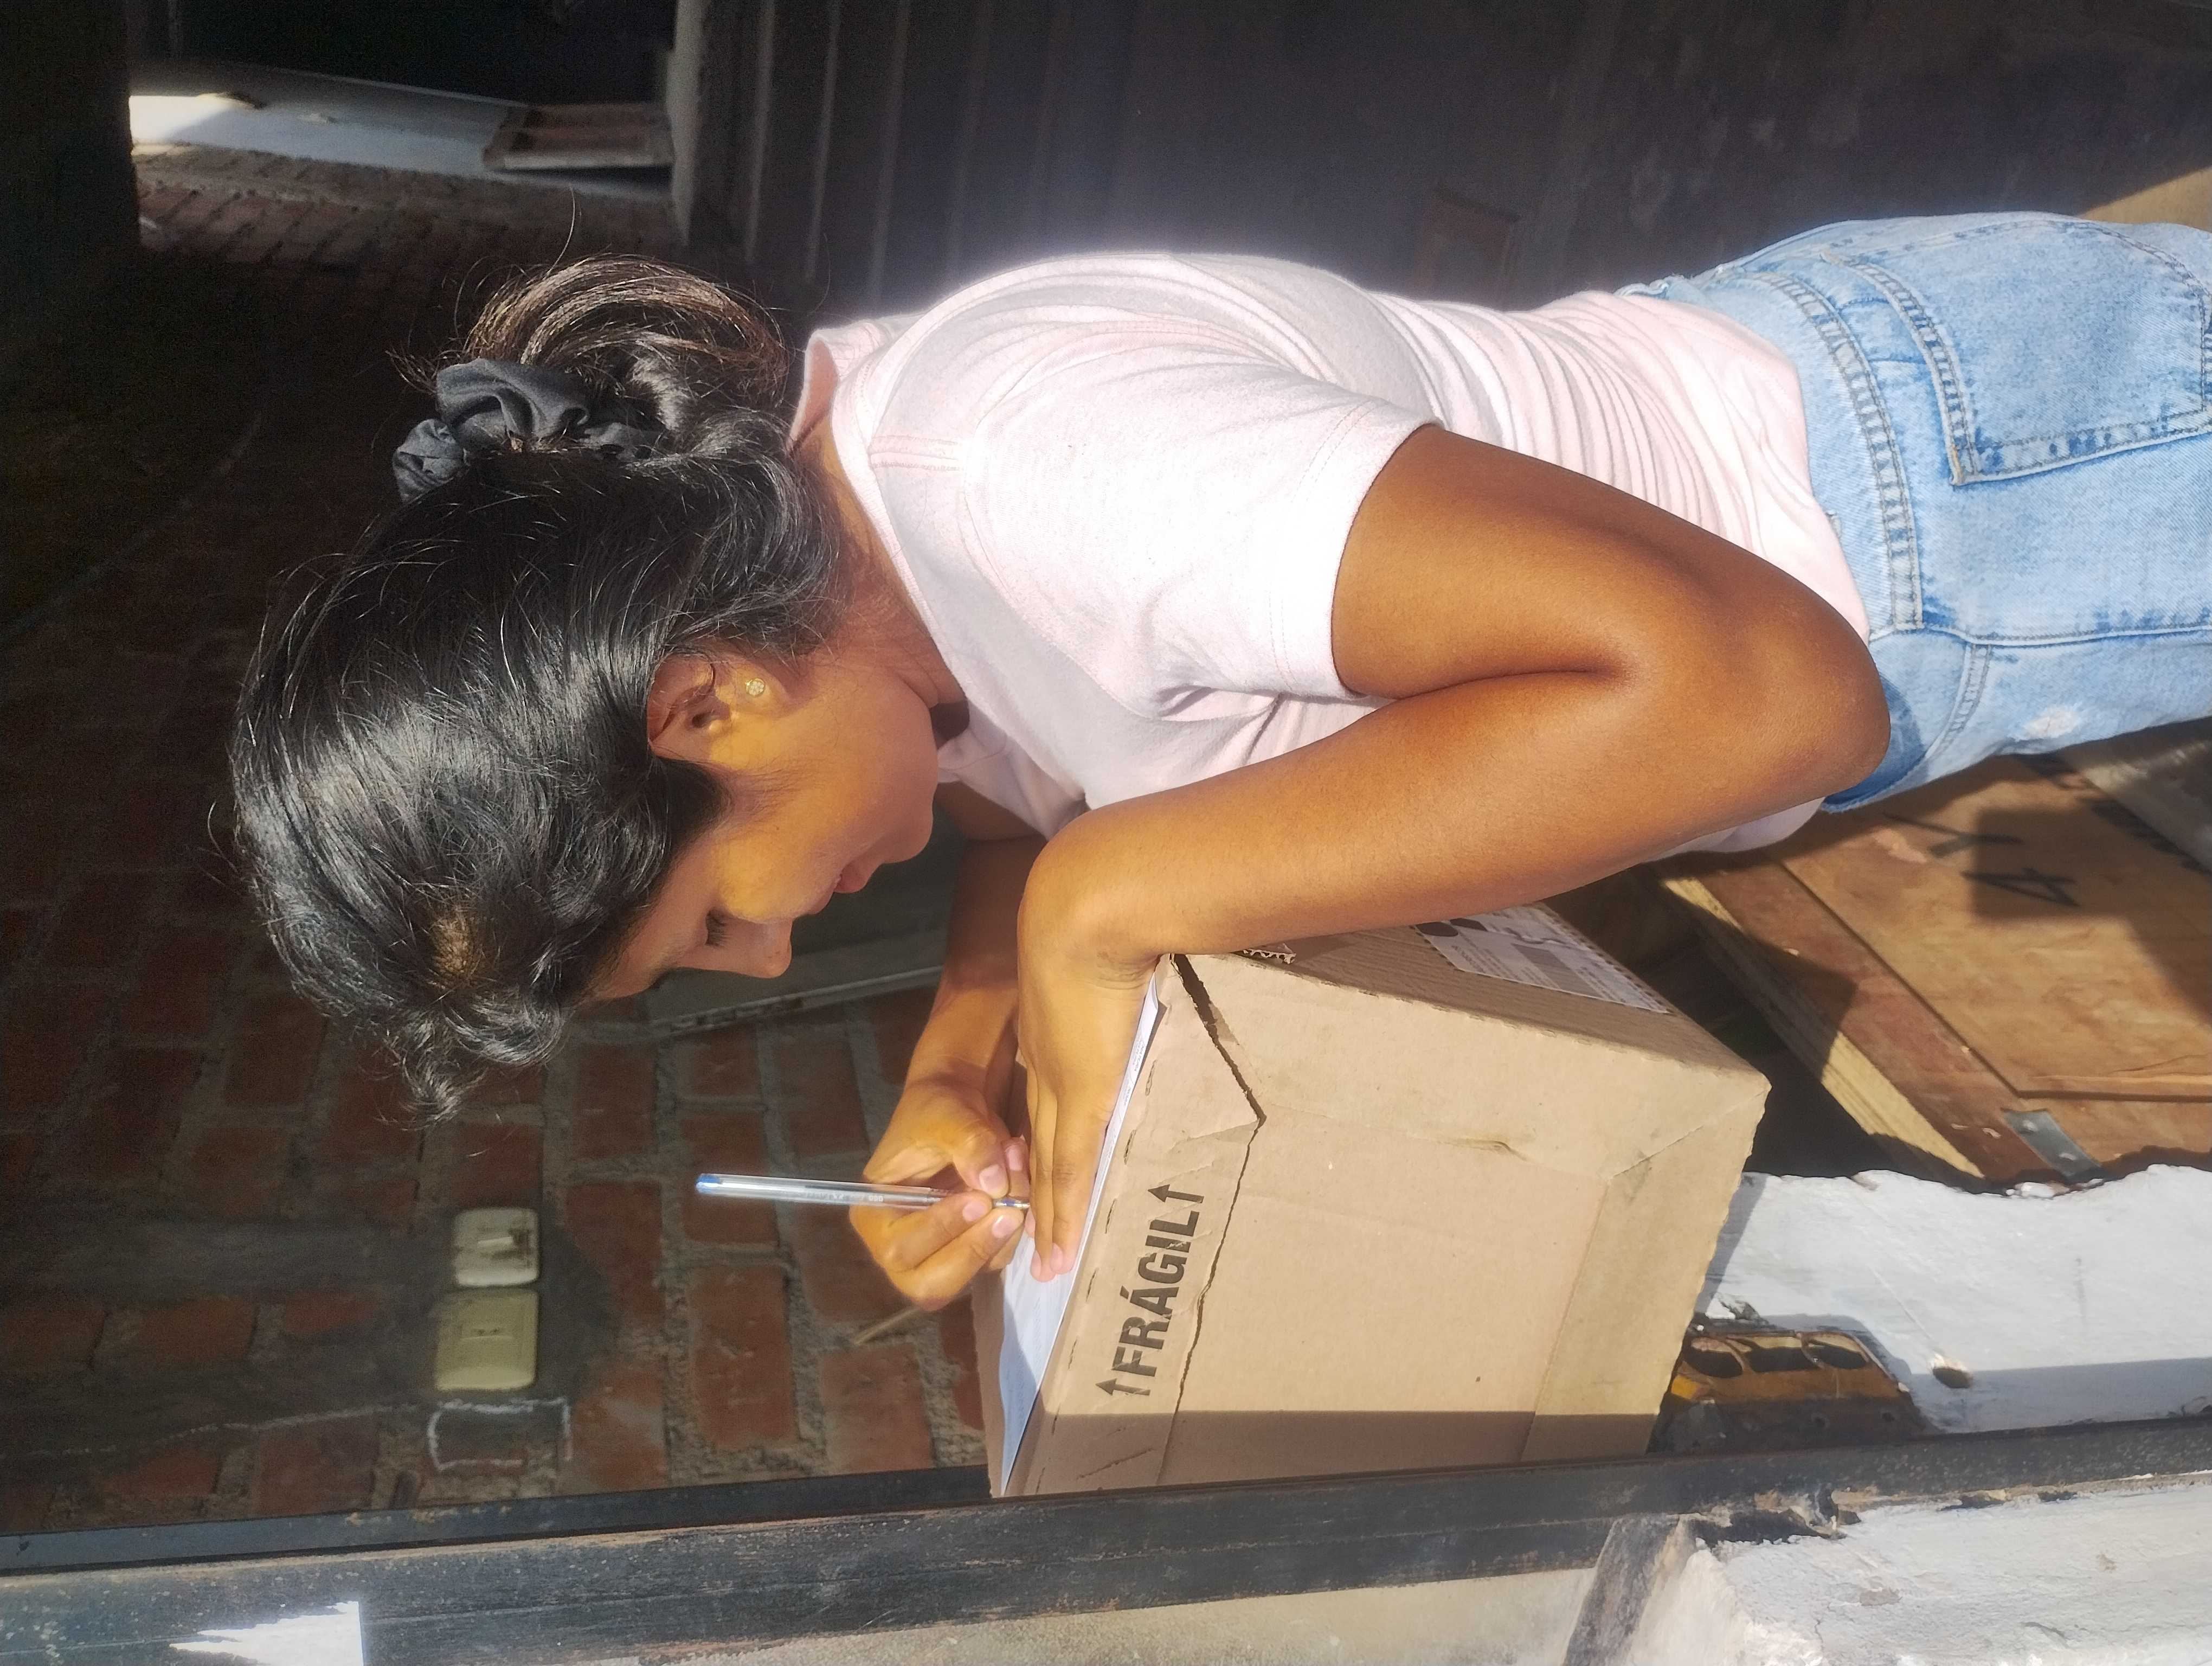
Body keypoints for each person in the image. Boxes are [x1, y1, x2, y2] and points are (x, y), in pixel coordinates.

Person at [230, 216, 2211, 1311]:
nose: (772, 958)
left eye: (714, 923)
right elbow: (1033, 801)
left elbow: (1773, 692)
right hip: (1916, 546)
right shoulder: (856, 584)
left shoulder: (1030, 463)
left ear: (700, 705)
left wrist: (1112, 907)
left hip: (1976, 487)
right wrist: (959, 1064)